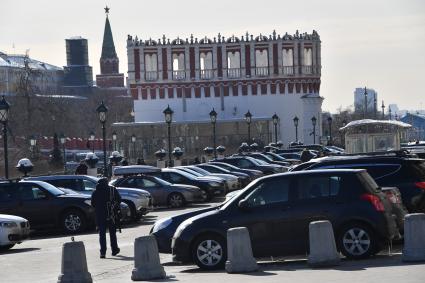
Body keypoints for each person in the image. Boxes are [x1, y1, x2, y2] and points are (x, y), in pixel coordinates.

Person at [91, 178, 121, 258]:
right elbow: (119, 200)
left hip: (100, 216)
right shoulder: (112, 190)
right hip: (111, 215)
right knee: (112, 233)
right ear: (107, 182)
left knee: (102, 234)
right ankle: (114, 250)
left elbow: (93, 204)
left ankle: (102, 252)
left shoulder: (95, 192)